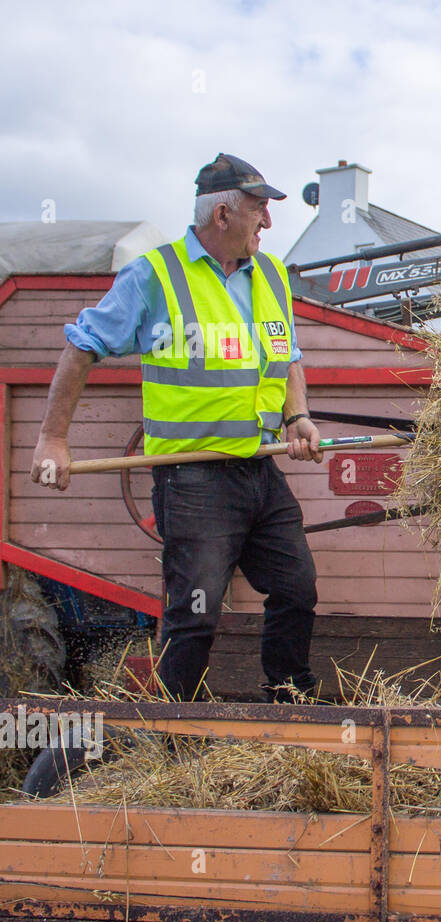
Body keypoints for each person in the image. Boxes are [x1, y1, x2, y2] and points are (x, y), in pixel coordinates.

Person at [30, 154, 325, 702]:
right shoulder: (154, 274)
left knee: (296, 588)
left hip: (258, 469)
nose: (267, 222)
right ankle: (172, 735)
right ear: (221, 214)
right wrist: (52, 439)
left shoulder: (272, 274)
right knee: (195, 615)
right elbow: (82, 345)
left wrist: (298, 416)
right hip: (191, 479)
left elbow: (287, 354)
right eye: (259, 209)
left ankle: (290, 700)